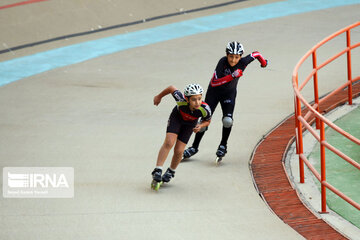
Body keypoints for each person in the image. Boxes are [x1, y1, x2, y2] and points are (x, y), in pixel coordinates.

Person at [183, 41, 268, 161]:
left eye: (236, 57)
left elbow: (256, 54)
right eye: (231, 56)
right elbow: (215, 82)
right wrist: (232, 76)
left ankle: (223, 145)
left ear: (241, 56)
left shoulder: (243, 62)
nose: (233, 60)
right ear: (226, 55)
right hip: (214, 93)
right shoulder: (222, 62)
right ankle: (194, 147)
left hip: (229, 94)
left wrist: (264, 63)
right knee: (204, 121)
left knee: (227, 120)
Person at [151, 84, 212, 188]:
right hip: (177, 118)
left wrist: (200, 125)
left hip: (190, 124)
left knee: (179, 151)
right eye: (193, 100)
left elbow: (207, 121)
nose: (197, 102)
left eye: (199, 99)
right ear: (187, 99)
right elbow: (171, 88)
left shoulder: (205, 109)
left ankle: (171, 171)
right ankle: (158, 169)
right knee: (169, 142)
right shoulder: (180, 99)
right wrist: (159, 96)